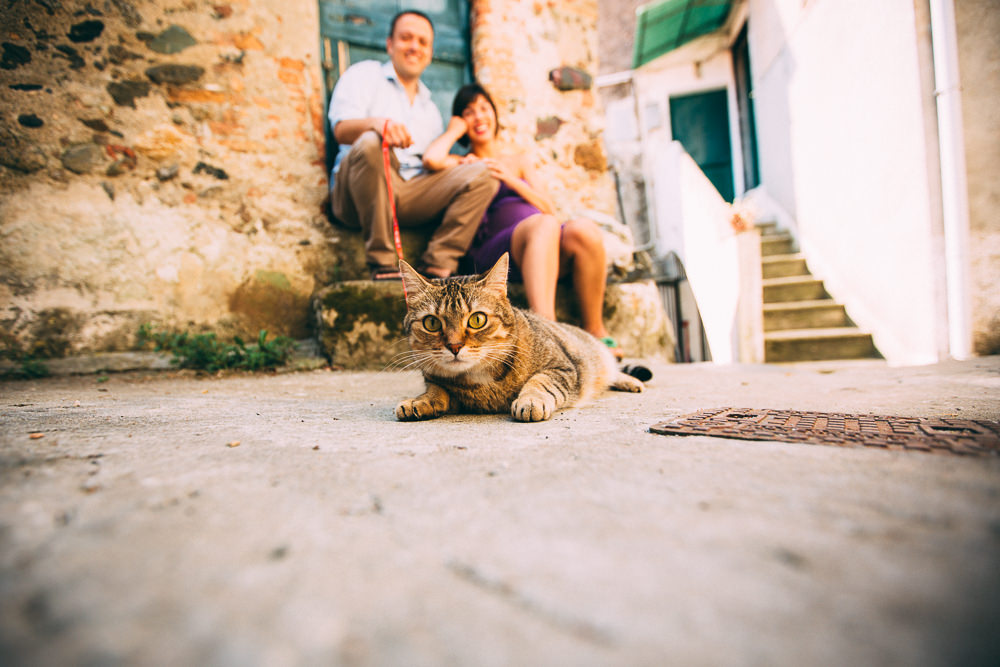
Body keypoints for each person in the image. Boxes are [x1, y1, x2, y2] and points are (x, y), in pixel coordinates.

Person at [422, 82, 623, 360]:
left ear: (495, 114)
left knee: (583, 230)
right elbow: (431, 159)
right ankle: (548, 331)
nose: (479, 116)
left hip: (542, 241)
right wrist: (454, 131)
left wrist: (510, 179)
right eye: (468, 112)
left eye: (483, 108)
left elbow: (549, 208)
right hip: (494, 252)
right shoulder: (462, 163)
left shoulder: (517, 160)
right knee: (543, 225)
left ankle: (596, 331)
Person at [327, 10, 498, 280]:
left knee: (484, 175)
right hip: (357, 192)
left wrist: (458, 162)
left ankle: (438, 263)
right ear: (390, 44)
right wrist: (377, 125)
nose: (414, 47)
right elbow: (340, 130)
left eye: (422, 42)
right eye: (406, 38)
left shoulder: (429, 107)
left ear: (430, 53)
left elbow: (430, 164)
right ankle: (383, 264)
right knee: (373, 142)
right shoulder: (363, 75)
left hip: (409, 191)